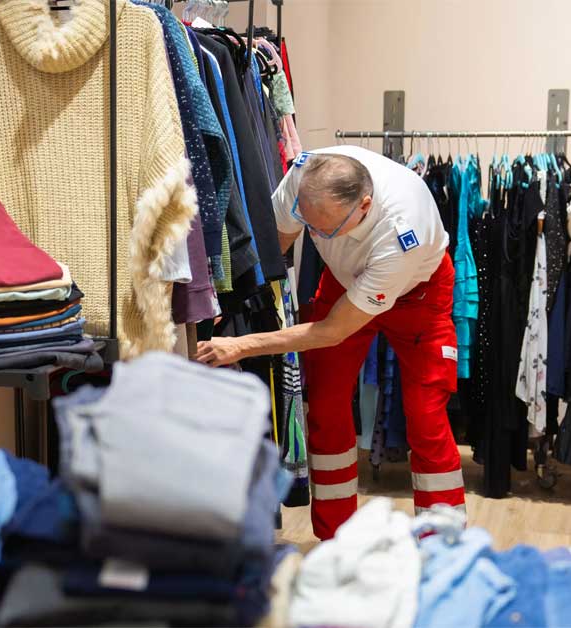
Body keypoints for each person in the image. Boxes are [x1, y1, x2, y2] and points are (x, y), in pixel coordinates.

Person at [195, 145, 465, 540]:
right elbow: (277, 252)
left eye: (326, 229)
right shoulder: (304, 180)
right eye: (310, 224)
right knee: (323, 404)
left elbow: (332, 332)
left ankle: (446, 544)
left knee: (425, 417)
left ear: (364, 207)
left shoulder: (403, 234)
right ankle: (334, 537)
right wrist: (232, 303)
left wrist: (241, 346)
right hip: (343, 280)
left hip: (417, 294)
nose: (316, 234)